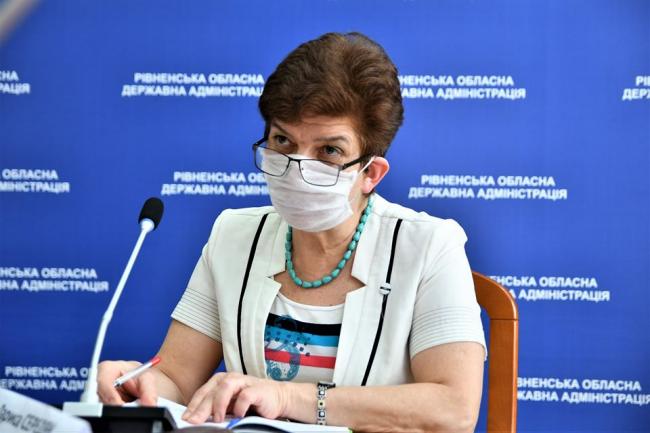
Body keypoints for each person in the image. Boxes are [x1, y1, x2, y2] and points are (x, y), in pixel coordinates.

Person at [98, 32, 486, 433]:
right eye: (283, 140)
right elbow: (176, 379)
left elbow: (453, 410)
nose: (297, 167)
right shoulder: (234, 235)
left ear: (370, 172)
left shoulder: (429, 245)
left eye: (329, 151)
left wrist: (287, 397)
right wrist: (139, 386)